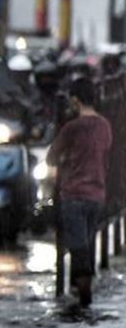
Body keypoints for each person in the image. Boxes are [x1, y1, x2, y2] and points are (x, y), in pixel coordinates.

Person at [48, 76, 113, 309]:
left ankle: (84, 301)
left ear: (75, 101)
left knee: (78, 249)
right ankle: (80, 296)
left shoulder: (72, 128)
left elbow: (51, 157)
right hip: (97, 194)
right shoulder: (105, 126)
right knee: (86, 243)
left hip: (74, 194)